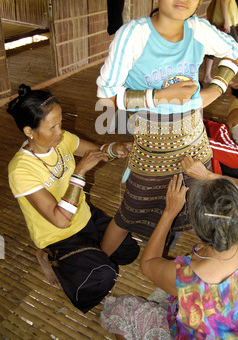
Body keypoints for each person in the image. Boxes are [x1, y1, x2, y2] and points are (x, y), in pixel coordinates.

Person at [96, 0, 238, 251]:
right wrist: (160, 96)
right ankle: (100, 263)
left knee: (193, 204)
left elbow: (233, 52)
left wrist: (214, 90)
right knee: (131, 211)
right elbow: (107, 95)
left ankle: (171, 260)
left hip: (193, 142)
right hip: (152, 144)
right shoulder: (134, 36)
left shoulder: (198, 30)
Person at [101, 157, 238, 340]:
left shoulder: (188, 278)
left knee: (121, 307)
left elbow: (148, 263)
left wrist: (169, 212)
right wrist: (208, 175)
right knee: (166, 295)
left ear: (197, 229)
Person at [7, 84, 139, 313]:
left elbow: (98, 152)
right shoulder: (20, 170)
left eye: (61, 123)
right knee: (102, 276)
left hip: (82, 215)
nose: (60, 132)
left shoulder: (61, 140)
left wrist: (116, 147)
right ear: (29, 131)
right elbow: (60, 220)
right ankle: (50, 256)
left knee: (128, 251)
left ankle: (86, 255)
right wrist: (79, 173)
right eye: (53, 127)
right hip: (57, 233)